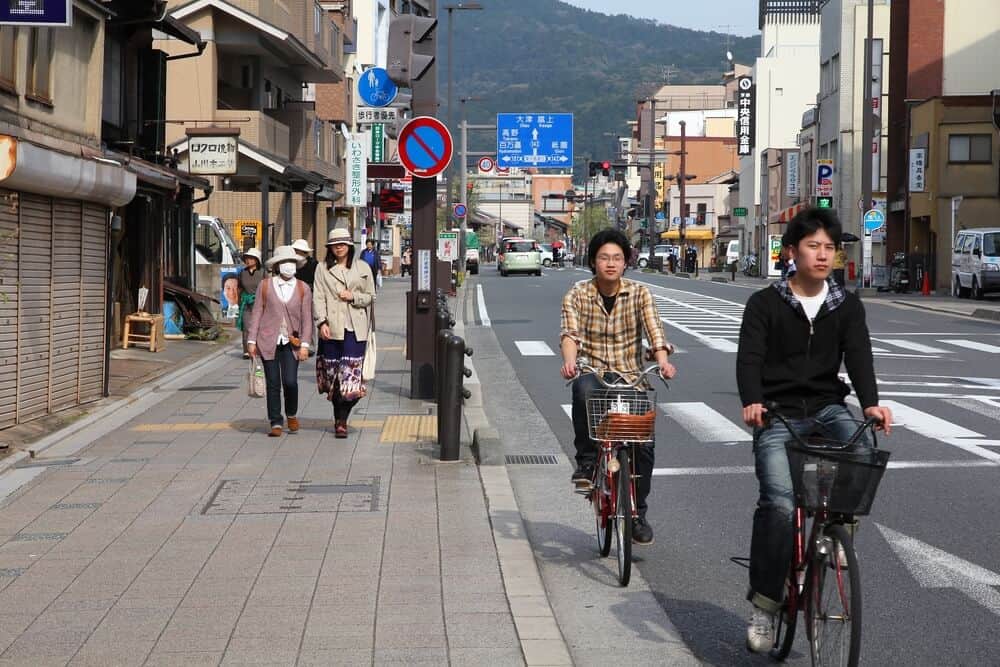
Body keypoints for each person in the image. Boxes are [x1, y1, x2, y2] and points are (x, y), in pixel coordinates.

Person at [737, 206, 893, 653]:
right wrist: (753, 401)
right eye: (813, 246)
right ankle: (765, 606)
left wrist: (871, 404)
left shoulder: (846, 305)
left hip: (826, 406)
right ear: (791, 252)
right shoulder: (765, 303)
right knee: (779, 505)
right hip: (777, 412)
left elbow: (859, 356)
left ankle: (840, 527)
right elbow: (749, 359)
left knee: (863, 451)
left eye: (829, 247)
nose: (823, 255)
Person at [559, 228, 677, 546]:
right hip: (593, 370)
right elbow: (569, 334)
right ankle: (587, 462)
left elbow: (655, 332)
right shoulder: (578, 293)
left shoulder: (639, 293)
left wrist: (663, 362)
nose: (610, 263)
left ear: (626, 262)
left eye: (617, 258)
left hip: (631, 374)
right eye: (604, 258)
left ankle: (637, 514)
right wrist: (570, 362)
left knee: (644, 445)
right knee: (582, 390)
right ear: (593, 262)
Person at [313, 228, 376, 438]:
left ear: (349, 245)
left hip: (356, 329)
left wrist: (353, 297)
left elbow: (371, 296)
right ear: (330, 248)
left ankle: (342, 420)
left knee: (351, 379)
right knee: (334, 378)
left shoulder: (362, 267)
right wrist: (321, 322)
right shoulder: (322, 268)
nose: (339, 247)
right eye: (335, 244)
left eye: (342, 244)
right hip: (331, 328)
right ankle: (339, 418)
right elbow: (318, 297)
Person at [246, 245, 313, 438]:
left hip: (292, 342)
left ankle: (291, 413)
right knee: (273, 382)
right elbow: (257, 313)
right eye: (284, 262)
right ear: (277, 265)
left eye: (291, 262)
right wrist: (251, 340)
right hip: (268, 339)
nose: (288, 266)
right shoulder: (265, 285)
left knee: (290, 381)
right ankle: (275, 421)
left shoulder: (303, 288)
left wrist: (305, 344)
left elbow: (307, 319)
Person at [237, 248, 264, 359]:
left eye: (251, 258)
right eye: (247, 258)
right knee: (247, 327)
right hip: (246, 303)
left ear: (257, 260)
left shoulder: (262, 272)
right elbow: (239, 288)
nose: (248, 260)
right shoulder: (242, 272)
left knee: (260, 327)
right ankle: (247, 350)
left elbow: (267, 288)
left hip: (260, 303)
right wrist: (239, 302)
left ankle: (260, 348)